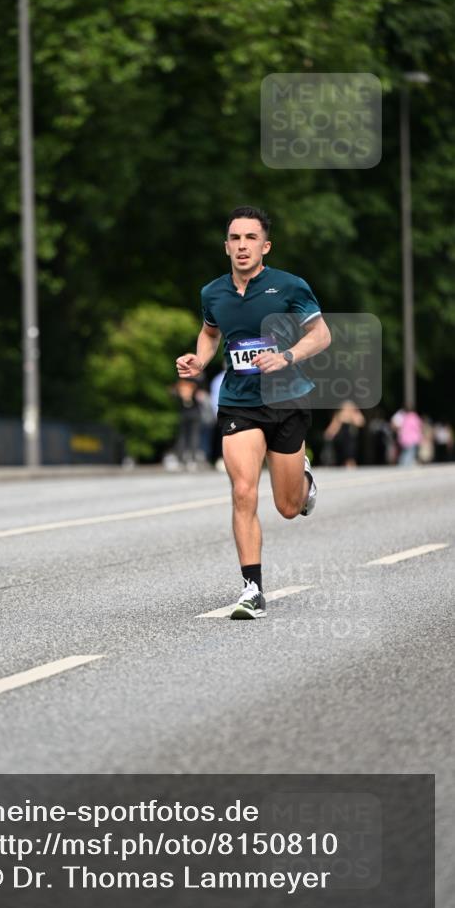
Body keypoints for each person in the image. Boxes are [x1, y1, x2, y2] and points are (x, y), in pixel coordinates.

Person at [176, 205, 331, 619]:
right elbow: (210, 333)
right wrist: (200, 360)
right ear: (225, 246)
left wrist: (287, 356)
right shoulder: (213, 293)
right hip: (239, 402)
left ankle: (303, 478)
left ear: (265, 245)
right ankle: (252, 589)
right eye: (235, 238)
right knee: (243, 492)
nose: (242, 246)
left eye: (250, 238)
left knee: (287, 506)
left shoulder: (290, 286)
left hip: (287, 399)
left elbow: (321, 334)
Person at [323, 401, 366, 468]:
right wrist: (329, 434)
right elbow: (334, 427)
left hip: (350, 440)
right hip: (341, 440)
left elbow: (361, 422)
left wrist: (353, 417)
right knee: (342, 458)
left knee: (350, 458)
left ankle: (351, 469)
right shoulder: (339, 414)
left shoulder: (354, 414)